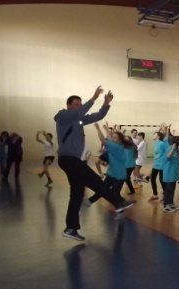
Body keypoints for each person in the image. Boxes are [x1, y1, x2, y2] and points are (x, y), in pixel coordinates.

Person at [54, 86, 134, 241]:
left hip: (73, 160)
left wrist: (106, 104)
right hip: (69, 159)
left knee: (77, 194)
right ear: (68, 105)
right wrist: (94, 97)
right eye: (76, 104)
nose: (79, 107)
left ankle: (71, 228)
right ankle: (118, 202)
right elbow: (79, 112)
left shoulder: (78, 120)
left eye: (80, 104)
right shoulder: (63, 116)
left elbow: (98, 115)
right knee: (95, 180)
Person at [162, 135, 179, 213]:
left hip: (174, 173)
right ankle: (166, 206)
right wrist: (173, 149)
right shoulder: (170, 148)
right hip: (168, 173)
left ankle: (171, 204)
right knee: (168, 190)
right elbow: (168, 157)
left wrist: (178, 151)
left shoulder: (177, 150)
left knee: (172, 189)